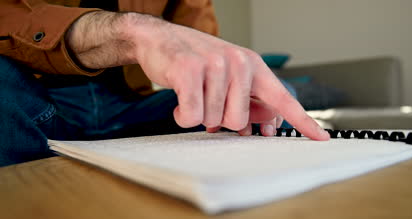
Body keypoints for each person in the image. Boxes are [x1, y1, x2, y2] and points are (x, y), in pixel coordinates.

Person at [0, 0, 329, 167]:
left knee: (274, 98)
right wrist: (129, 32)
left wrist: (226, 82)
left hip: (132, 109)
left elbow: (202, 41)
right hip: (35, 105)